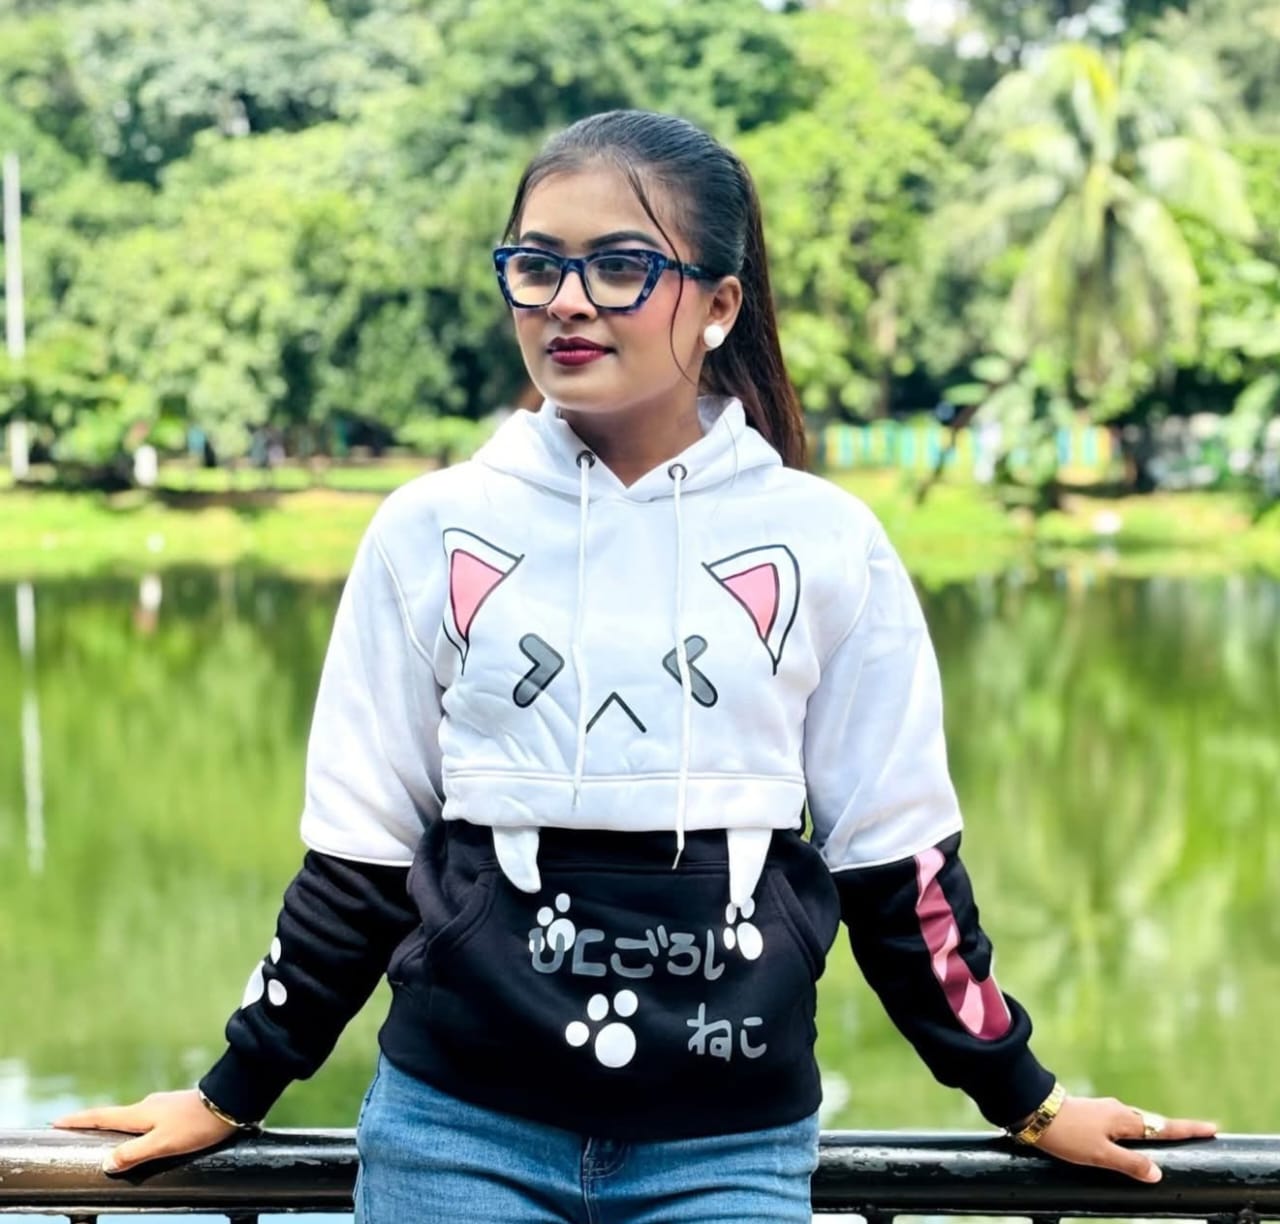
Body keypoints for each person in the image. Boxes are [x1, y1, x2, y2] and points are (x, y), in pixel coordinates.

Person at [54, 109, 1215, 1223]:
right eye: (536, 265)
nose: (567, 300)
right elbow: (359, 855)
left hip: (728, 1150)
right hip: (455, 1137)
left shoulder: (821, 544)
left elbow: (893, 863)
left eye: (619, 266)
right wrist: (233, 1088)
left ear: (717, 304)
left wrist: (1023, 1096)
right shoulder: (432, 532)